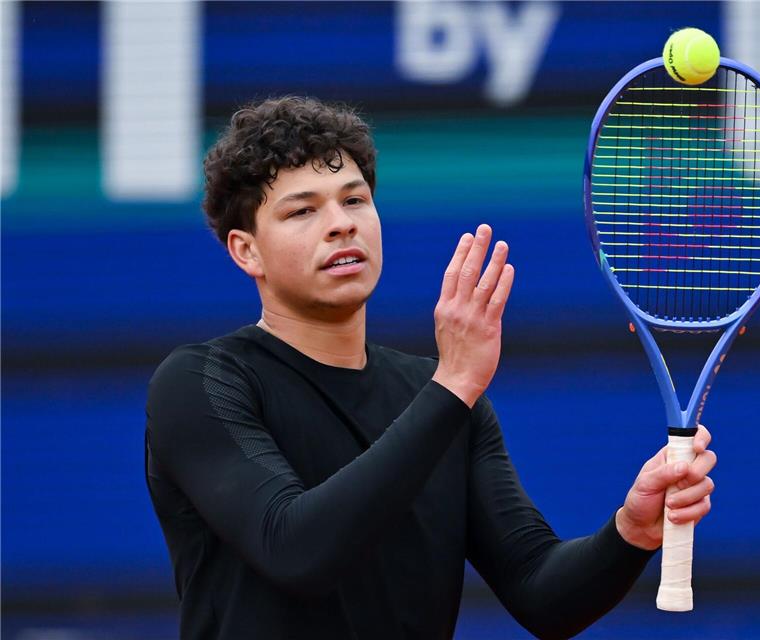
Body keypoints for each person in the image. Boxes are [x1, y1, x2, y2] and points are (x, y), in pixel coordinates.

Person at [145, 97, 716, 640]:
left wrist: (629, 532)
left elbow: (542, 592)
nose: (341, 224)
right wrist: (454, 384)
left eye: (354, 200)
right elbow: (295, 549)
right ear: (246, 251)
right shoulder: (201, 382)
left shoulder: (443, 400)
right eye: (302, 210)